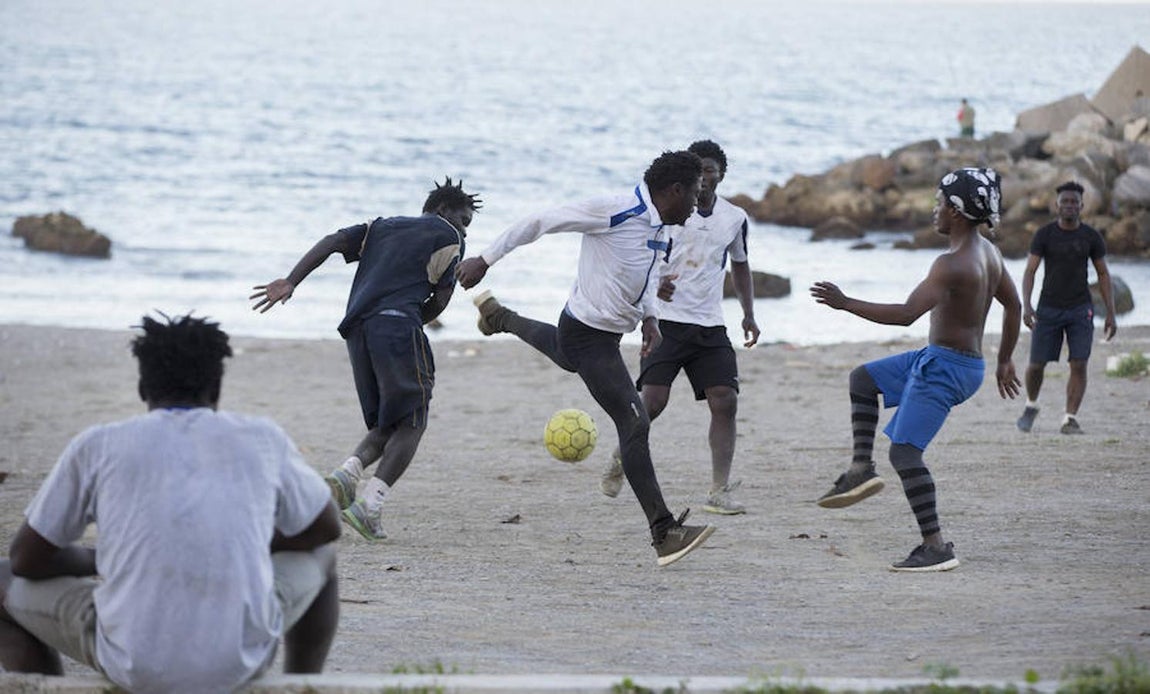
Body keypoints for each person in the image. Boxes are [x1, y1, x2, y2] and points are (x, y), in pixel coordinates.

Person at [0, 314, 341, 692]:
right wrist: (246, 541)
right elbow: (325, 528)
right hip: (241, 658)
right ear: (216, 387)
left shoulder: (99, 445)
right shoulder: (262, 438)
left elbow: (24, 560)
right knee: (324, 557)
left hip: (132, 662)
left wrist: (102, 556)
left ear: (143, 387)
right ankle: (300, 685)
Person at [455, 150, 715, 567]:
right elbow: (540, 221)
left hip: (602, 334)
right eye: (697, 191)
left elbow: (646, 279)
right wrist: (485, 259)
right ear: (675, 190)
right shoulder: (614, 210)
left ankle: (498, 316)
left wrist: (650, 318)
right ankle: (663, 531)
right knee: (634, 421)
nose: (701, 201)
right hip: (589, 334)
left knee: (562, 353)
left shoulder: (664, 227)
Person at [810, 167, 1022, 572]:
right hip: (947, 359)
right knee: (863, 379)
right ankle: (860, 469)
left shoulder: (951, 264)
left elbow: (906, 314)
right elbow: (1013, 306)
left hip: (947, 368)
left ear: (957, 213)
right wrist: (1005, 357)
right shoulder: (989, 253)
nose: (934, 210)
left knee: (905, 454)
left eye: (940, 203)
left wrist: (845, 302)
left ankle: (936, 546)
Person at [251, 178, 481, 541]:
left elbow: (330, 242)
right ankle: (370, 506)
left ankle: (347, 474)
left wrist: (292, 281)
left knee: (390, 421)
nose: (464, 227)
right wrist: (410, 323)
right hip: (397, 328)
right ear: (442, 210)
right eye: (464, 219)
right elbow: (440, 299)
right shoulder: (450, 236)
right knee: (414, 420)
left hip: (357, 331)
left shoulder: (380, 226)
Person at [597, 140, 760, 515]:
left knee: (726, 400)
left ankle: (719, 490)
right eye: (698, 170)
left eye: (711, 169)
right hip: (667, 321)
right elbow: (643, 255)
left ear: (721, 174)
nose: (704, 177)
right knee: (652, 403)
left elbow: (740, 265)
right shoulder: (669, 211)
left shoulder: (734, 218)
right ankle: (620, 457)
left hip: (710, 324)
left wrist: (748, 313)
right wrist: (652, 292)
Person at [1016, 180, 1117, 435]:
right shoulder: (1045, 234)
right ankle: (1031, 404)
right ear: (1056, 205)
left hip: (1080, 309)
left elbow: (1103, 274)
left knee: (1079, 362)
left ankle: (1069, 418)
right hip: (1047, 308)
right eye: (1065, 201)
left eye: (1074, 202)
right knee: (1037, 364)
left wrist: (1111, 314)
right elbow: (1030, 270)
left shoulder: (1091, 237)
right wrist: (1026, 306)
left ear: (1082, 206)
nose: (1070, 205)